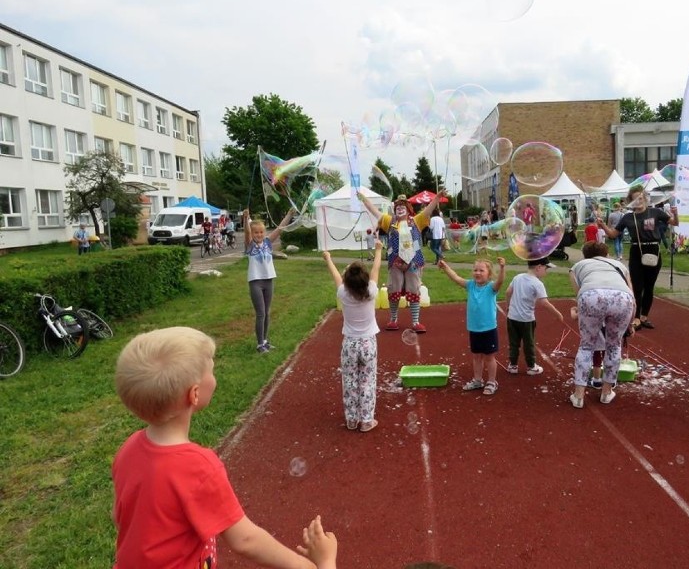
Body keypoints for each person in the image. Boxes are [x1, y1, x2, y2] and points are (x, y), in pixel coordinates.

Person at [112, 327, 338, 569]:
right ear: (194, 394)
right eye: (211, 369)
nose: (214, 374)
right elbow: (245, 539)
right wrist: (312, 565)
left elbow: (120, 517)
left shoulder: (129, 448)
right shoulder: (198, 467)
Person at [359, 190, 445, 333]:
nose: (399, 209)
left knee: (413, 289)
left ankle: (416, 322)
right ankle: (393, 319)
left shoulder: (417, 220)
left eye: (402, 206)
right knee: (394, 290)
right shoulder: (389, 221)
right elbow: (374, 211)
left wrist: (437, 197)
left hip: (413, 263)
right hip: (396, 263)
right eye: (397, 207)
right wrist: (363, 199)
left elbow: (429, 209)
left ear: (408, 209)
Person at [322, 241, 383, 432]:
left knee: (350, 381)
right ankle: (366, 420)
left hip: (349, 343)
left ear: (346, 280)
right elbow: (376, 268)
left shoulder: (343, 293)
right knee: (367, 381)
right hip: (368, 343)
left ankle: (351, 419)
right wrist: (379, 249)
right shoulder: (371, 291)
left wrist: (328, 259)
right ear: (365, 280)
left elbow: (335, 276)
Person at [598, 185, 677, 331]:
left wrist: (675, 214)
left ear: (645, 197)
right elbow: (613, 235)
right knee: (637, 286)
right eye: (635, 199)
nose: (639, 201)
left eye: (641, 198)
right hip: (636, 251)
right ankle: (635, 318)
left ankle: (644, 317)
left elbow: (674, 223)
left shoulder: (655, 212)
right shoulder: (628, 217)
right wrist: (603, 225)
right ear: (630, 201)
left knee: (649, 286)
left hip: (653, 250)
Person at [567, 242, 635, 408]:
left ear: (585, 255)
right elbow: (631, 295)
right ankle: (606, 392)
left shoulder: (577, 266)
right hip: (622, 298)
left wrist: (580, 311)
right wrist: (630, 323)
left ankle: (579, 395)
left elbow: (579, 294)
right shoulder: (620, 265)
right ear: (607, 254)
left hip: (591, 296)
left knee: (586, 346)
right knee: (613, 346)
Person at [437, 257, 506, 395]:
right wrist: (445, 268)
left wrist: (502, 268)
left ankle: (492, 382)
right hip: (474, 328)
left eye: (482, 270)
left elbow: (500, 281)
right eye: (475, 270)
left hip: (488, 328)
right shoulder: (470, 285)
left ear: (489, 273)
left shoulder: (491, 287)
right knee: (476, 356)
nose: (478, 273)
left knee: (489, 357)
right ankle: (478, 380)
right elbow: (456, 278)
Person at [244, 208, 295, 353]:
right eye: (256, 232)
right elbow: (247, 233)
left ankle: (265, 341)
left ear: (264, 233)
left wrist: (289, 214)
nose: (259, 235)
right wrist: (245, 218)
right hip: (256, 282)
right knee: (260, 313)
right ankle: (259, 344)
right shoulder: (250, 245)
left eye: (261, 232)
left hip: (269, 281)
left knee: (267, 312)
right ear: (253, 234)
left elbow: (280, 228)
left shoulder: (267, 242)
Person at [505, 257, 564, 375]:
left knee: (513, 342)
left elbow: (508, 292)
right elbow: (544, 302)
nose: (546, 271)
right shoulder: (537, 283)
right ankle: (531, 367)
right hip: (526, 320)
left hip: (512, 317)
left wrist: (508, 306)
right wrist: (558, 314)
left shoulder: (517, 277)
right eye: (546, 268)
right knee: (528, 343)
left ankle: (513, 365)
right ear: (539, 267)